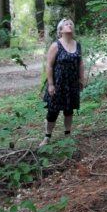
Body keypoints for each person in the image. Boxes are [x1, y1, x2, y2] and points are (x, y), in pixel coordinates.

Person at [41, 18, 84, 146]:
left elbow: (80, 63)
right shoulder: (56, 45)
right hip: (58, 82)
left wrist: (81, 79)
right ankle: (47, 136)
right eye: (66, 24)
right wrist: (51, 84)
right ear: (61, 30)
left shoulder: (77, 44)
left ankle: (67, 134)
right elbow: (49, 65)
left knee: (69, 109)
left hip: (72, 82)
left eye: (71, 24)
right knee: (53, 110)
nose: (69, 26)